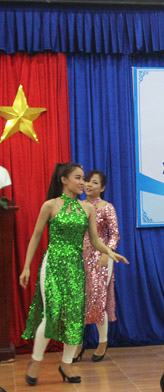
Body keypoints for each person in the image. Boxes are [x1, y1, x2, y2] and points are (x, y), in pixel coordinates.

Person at [19, 163, 128, 385]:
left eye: (83, 178)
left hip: (76, 268)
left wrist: (109, 252)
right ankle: (36, 361)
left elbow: (95, 240)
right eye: (78, 178)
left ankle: (66, 364)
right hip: (53, 265)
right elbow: (36, 236)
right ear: (64, 180)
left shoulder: (87, 208)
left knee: (74, 318)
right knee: (52, 314)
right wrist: (27, 266)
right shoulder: (50, 205)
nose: (82, 182)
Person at [72, 170, 120, 363]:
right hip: (79, 257)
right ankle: (77, 344)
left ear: (102, 188)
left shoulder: (106, 207)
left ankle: (102, 341)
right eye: (87, 181)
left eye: (94, 182)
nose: (89, 185)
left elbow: (114, 234)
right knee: (78, 302)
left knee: (98, 299)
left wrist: (106, 253)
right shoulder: (77, 205)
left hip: (101, 257)